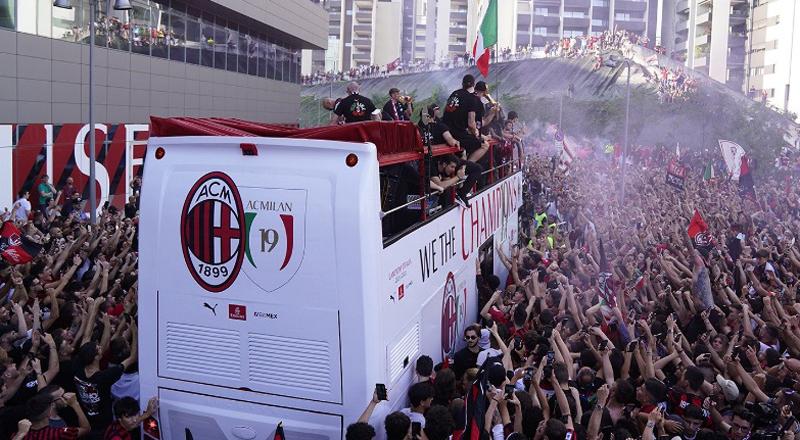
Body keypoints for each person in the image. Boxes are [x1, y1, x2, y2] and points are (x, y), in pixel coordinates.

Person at [442, 75, 489, 163]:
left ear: (462, 84)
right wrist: (477, 134)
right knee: (484, 145)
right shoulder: (472, 98)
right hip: (458, 135)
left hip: (445, 132)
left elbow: (445, 111)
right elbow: (471, 124)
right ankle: (467, 166)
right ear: (473, 84)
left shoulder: (454, 93)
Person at [12, 391, 91, 439]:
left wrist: (20, 434)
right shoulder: (61, 433)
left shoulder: (18, 436)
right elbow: (86, 429)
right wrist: (75, 404)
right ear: (49, 413)